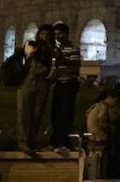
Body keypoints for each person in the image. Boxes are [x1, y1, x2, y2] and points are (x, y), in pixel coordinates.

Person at [17, 24, 53, 154]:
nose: (45, 37)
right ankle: (23, 143)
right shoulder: (31, 44)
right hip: (27, 83)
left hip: (42, 84)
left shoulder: (51, 49)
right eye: (42, 34)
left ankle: (32, 142)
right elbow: (26, 59)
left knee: (37, 115)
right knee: (24, 114)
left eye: (47, 35)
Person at [50, 22, 82, 152]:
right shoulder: (58, 49)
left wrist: (60, 59)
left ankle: (64, 141)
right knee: (55, 113)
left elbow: (74, 66)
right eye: (55, 34)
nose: (57, 37)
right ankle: (56, 141)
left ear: (66, 34)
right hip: (59, 83)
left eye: (60, 34)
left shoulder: (73, 48)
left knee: (65, 113)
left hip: (69, 84)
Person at [84, 85, 120, 180]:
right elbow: (101, 120)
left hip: (91, 138)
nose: (115, 104)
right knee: (98, 167)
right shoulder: (103, 107)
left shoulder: (95, 105)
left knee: (93, 165)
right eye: (115, 101)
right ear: (110, 97)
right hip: (98, 139)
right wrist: (110, 131)